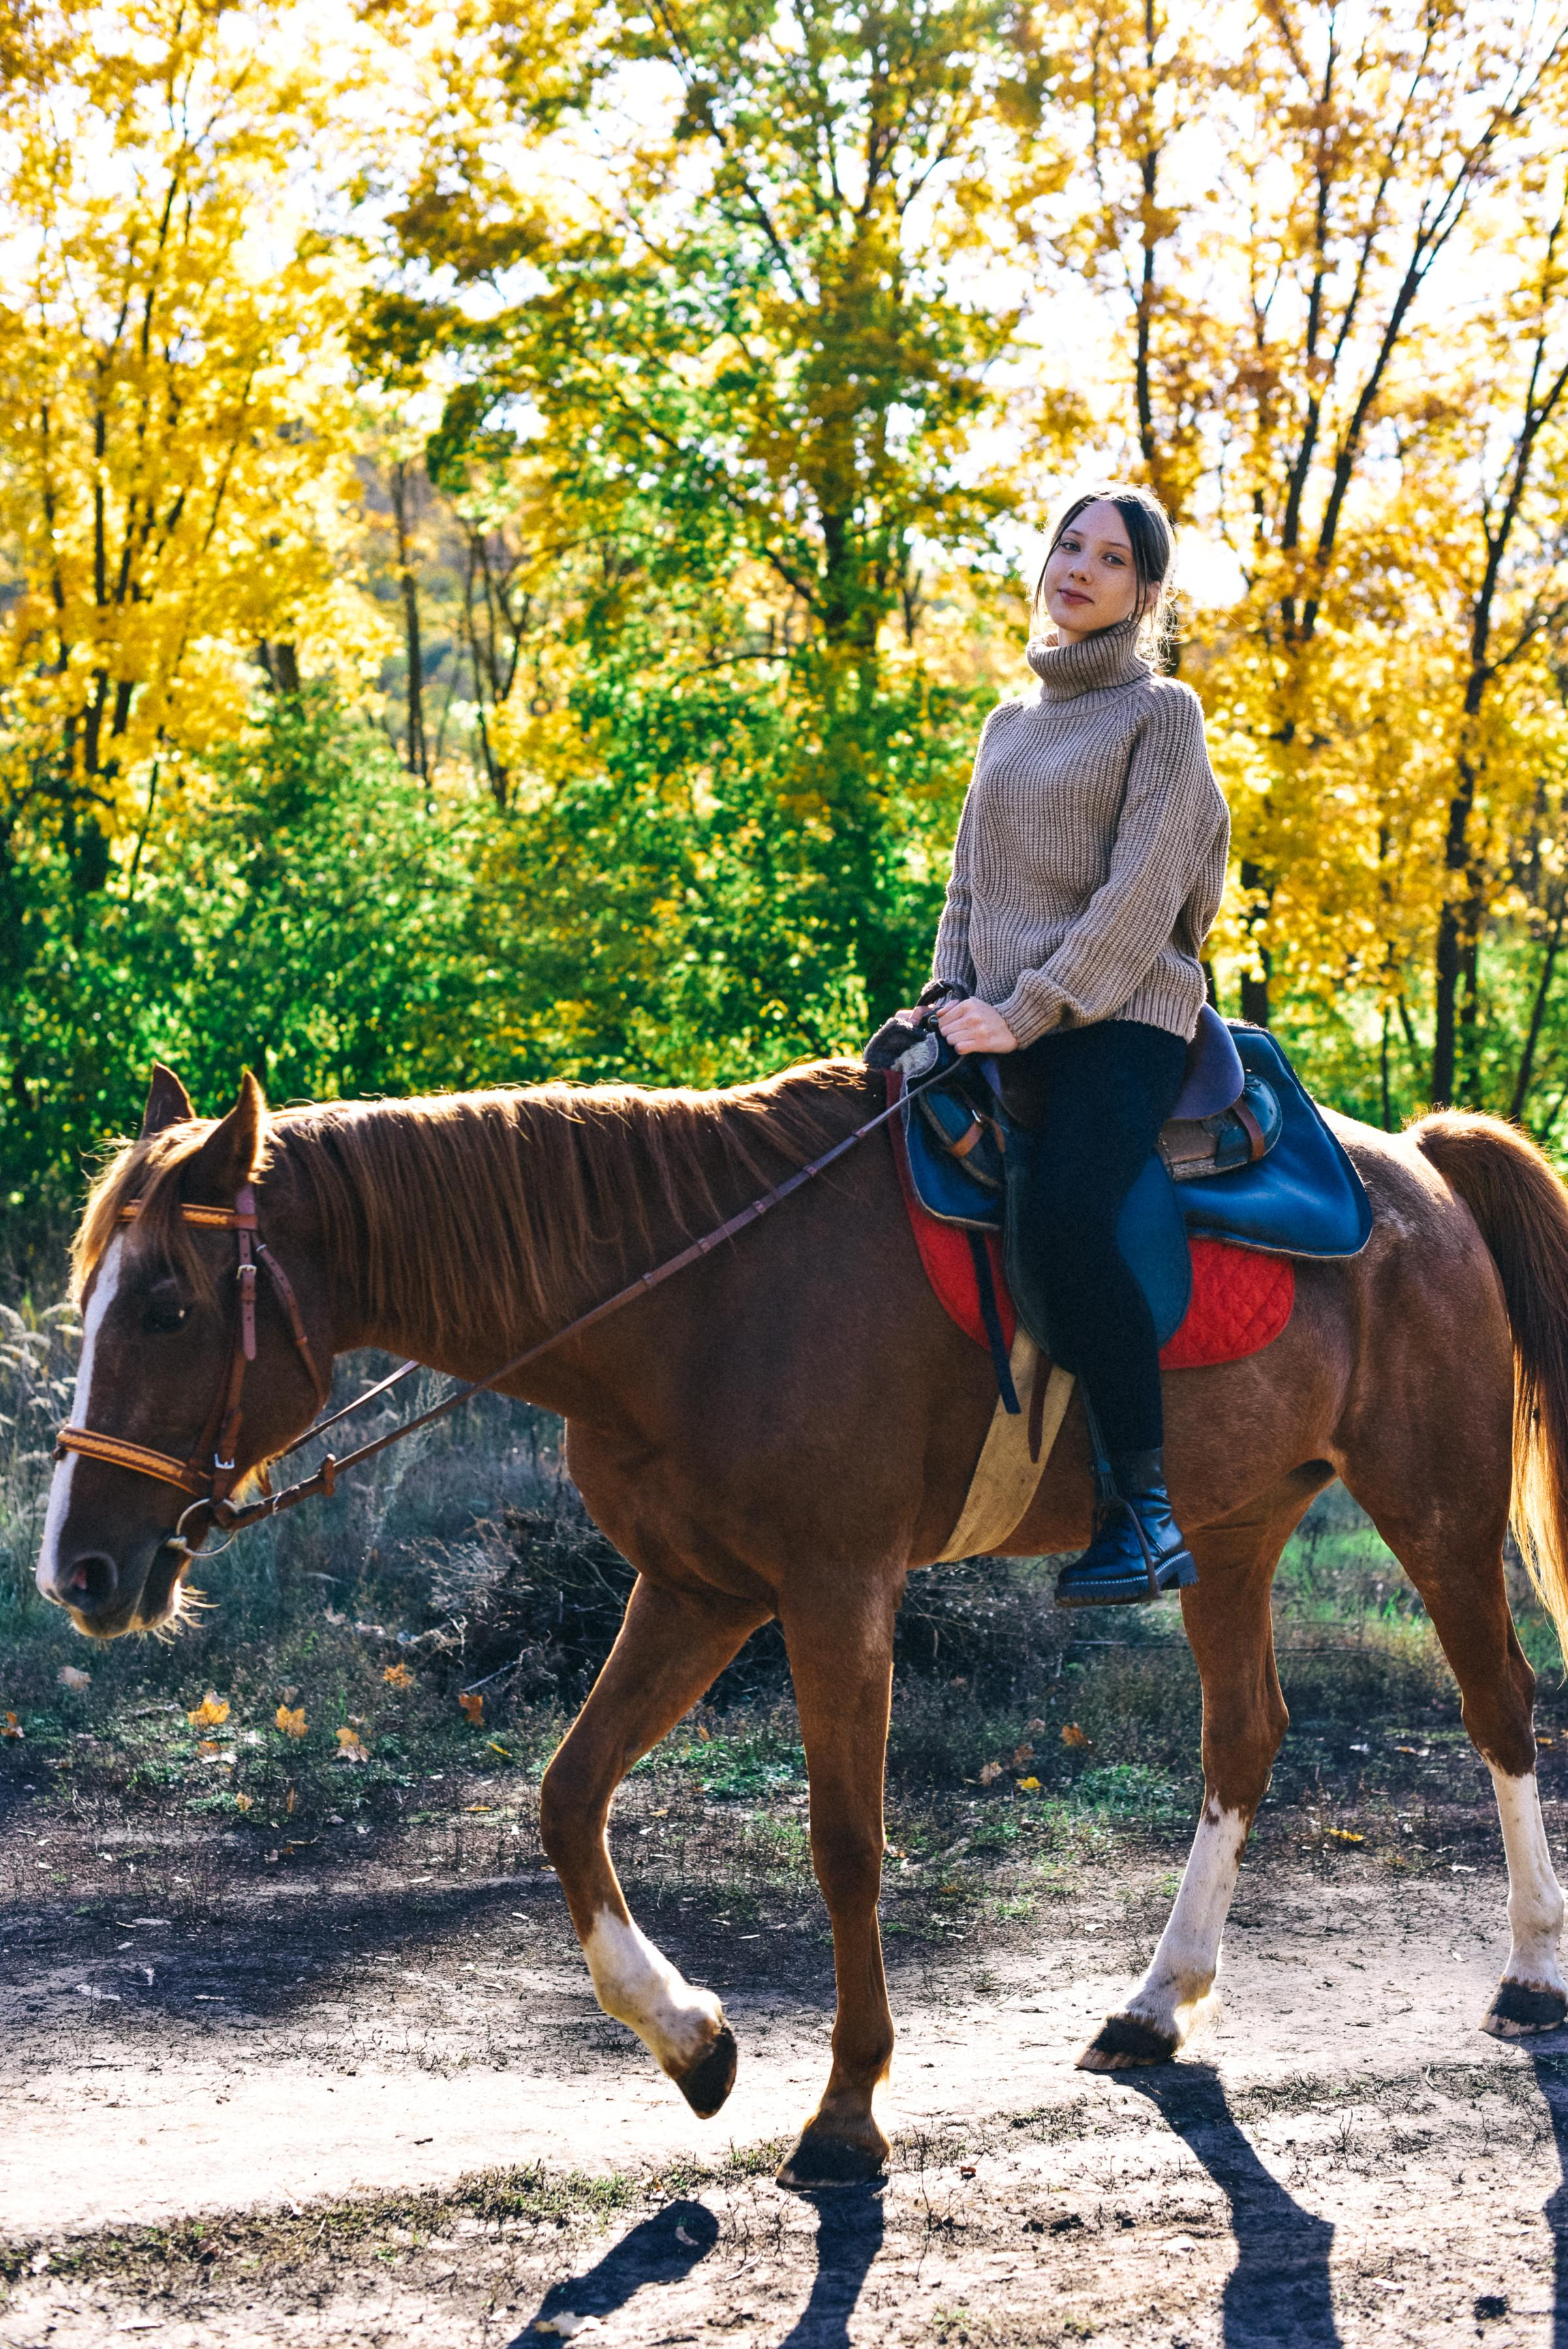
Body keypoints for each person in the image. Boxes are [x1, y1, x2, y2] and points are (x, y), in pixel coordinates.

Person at [929, 485, 1230, 1606]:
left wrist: (1031, 1008)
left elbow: (1141, 896)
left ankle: (1143, 1516)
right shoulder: (1010, 722)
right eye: (1071, 545)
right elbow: (969, 889)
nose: (1082, 568)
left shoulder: (1164, 715)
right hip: (1003, 1011)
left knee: (1066, 1216)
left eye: (1112, 559)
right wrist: (945, 994)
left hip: (1122, 1015)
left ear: (1145, 596)